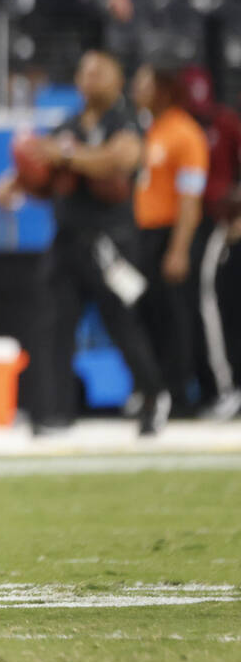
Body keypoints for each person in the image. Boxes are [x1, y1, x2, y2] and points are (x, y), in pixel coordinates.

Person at [0, 49, 169, 435]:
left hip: (111, 242)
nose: (90, 79)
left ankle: (153, 397)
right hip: (67, 238)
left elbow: (118, 161)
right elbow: (45, 167)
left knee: (122, 323)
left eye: (99, 72)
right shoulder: (68, 124)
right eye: (84, 71)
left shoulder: (125, 120)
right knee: (54, 325)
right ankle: (54, 412)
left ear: (117, 79)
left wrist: (68, 156)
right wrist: (16, 183)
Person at [131, 63, 209, 413]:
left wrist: (178, 249)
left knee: (176, 317)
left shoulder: (185, 133)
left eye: (144, 84)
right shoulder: (149, 130)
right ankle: (154, 390)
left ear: (162, 89)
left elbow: (190, 199)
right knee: (147, 314)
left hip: (172, 233)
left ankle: (179, 394)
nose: (136, 89)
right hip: (144, 235)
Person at [179, 66, 241, 418]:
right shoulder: (173, 126)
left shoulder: (225, 122)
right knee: (200, 309)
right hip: (190, 223)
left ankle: (226, 388)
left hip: (223, 223)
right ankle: (215, 387)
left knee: (214, 306)